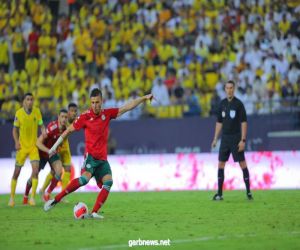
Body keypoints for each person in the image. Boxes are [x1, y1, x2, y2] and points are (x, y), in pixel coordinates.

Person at [44, 88, 153, 218]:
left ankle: (94, 212)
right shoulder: (85, 117)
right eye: (93, 102)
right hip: (90, 157)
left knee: (108, 182)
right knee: (84, 179)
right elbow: (68, 131)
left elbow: (126, 107)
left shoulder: (107, 114)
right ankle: (55, 200)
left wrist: (143, 98)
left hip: (102, 160)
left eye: (97, 102)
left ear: (102, 101)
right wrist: (53, 147)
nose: (95, 105)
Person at [211, 80, 253, 201]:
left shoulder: (239, 104)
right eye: (227, 88)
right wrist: (215, 139)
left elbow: (244, 122)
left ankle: (249, 192)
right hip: (225, 138)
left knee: (242, 163)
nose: (229, 90)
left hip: (236, 138)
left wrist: (243, 140)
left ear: (233, 89)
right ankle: (219, 193)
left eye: (231, 88)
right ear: (225, 89)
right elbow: (219, 122)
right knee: (221, 164)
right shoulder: (222, 104)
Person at [23, 109, 69, 203]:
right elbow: (38, 143)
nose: (64, 119)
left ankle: (47, 194)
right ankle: (26, 196)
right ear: (58, 117)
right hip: (42, 153)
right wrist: (48, 150)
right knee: (34, 175)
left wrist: (55, 150)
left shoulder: (65, 129)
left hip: (52, 153)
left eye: (65, 117)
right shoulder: (52, 128)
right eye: (62, 117)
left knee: (59, 171)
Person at [9, 93, 45, 207]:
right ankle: (12, 198)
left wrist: (43, 130)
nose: (30, 101)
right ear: (24, 101)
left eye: (31, 100)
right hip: (22, 147)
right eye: (28, 99)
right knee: (16, 172)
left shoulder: (37, 111)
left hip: (33, 146)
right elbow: (14, 130)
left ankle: (32, 198)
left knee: (35, 171)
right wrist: (16, 142)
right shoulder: (19, 113)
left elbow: (41, 125)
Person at [40, 103, 78, 195]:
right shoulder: (62, 121)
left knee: (68, 169)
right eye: (71, 111)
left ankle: (62, 195)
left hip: (65, 148)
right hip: (57, 149)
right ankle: (43, 189)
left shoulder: (75, 121)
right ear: (68, 112)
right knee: (54, 171)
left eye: (75, 111)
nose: (73, 113)